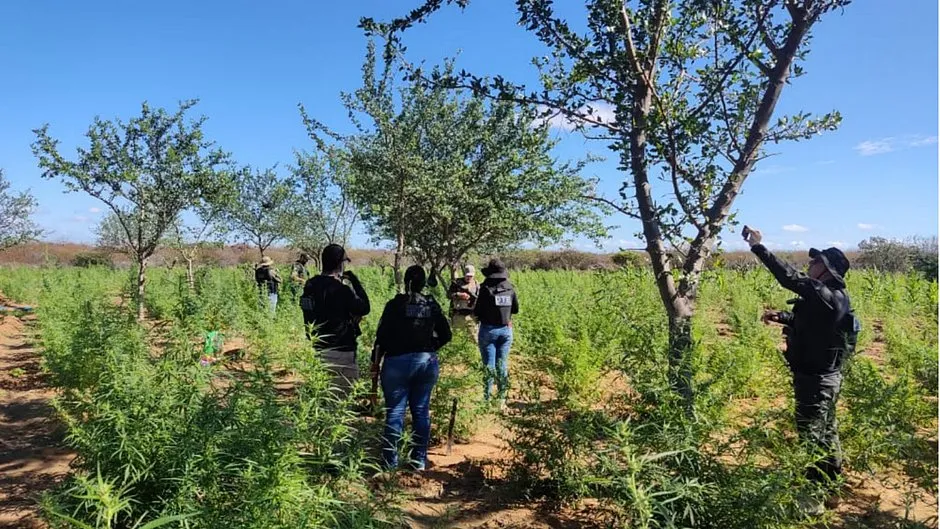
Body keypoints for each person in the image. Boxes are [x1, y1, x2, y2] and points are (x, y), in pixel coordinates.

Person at [744, 227, 860, 514]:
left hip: (816, 380)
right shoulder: (832, 299)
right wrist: (782, 317)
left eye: (815, 262)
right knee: (826, 432)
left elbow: (789, 278)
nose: (809, 265)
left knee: (810, 436)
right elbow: (812, 324)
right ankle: (831, 489)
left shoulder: (826, 294)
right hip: (824, 377)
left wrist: (759, 247)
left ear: (827, 269)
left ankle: (812, 501)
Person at [373, 265, 452, 470]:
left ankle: (390, 462)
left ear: (405, 281)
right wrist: (429, 347)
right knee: (421, 411)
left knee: (395, 413)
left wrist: (375, 363)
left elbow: (380, 338)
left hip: (396, 363)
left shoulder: (393, 305)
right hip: (426, 362)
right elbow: (446, 335)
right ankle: (419, 460)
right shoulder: (431, 304)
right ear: (424, 283)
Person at [300, 244, 370, 396]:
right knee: (341, 402)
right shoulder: (341, 290)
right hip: (341, 351)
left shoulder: (310, 285)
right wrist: (355, 282)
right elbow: (364, 308)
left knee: (324, 397)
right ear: (340, 263)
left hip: (318, 348)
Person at [473, 258, 519, 407]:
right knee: (502, 364)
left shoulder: (485, 288)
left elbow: (477, 311)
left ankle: (486, 399)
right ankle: (501, 399)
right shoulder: (510, 288)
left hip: (488, 330)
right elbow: (515, 309)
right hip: (506, 330)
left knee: (489, 366)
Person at [448, 264, 480, 343]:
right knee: (457, 339)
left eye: (471, 276)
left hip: (471, 316)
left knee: (475, 340)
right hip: (458, 315)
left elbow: (479, 299)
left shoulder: (476, 284)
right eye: (467, 276)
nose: (469, 278)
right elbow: (448, 295)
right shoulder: (456, 283)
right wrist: (458, 295)